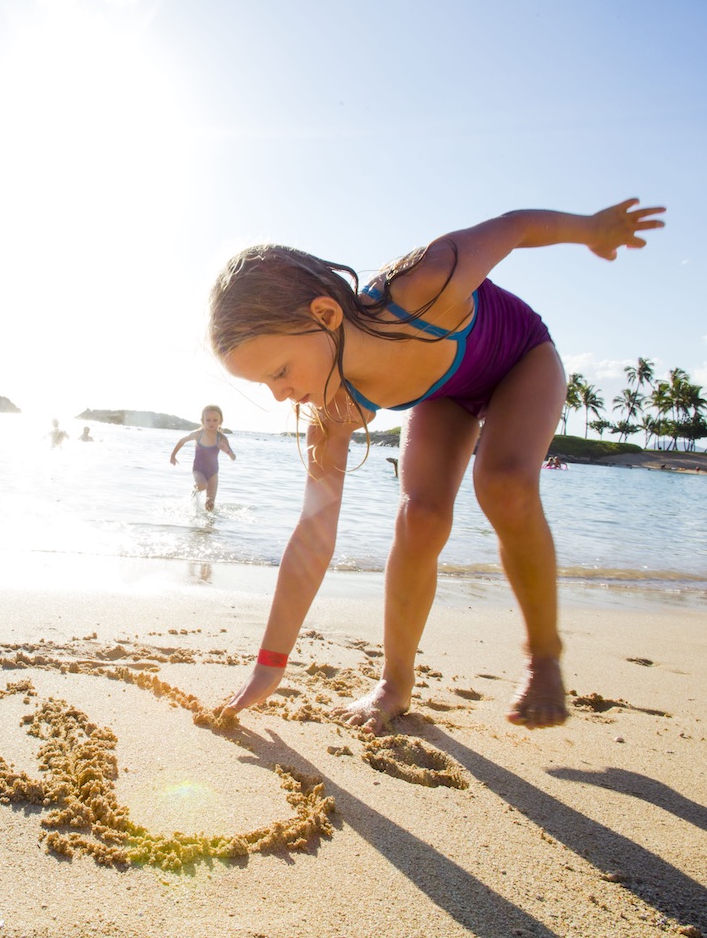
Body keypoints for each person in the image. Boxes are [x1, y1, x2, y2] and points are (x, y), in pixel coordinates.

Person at [210, 198, 664, 733]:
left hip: (522, 359)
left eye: (280, 370)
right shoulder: (332, 412)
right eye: (265, 384)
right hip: (445, 393)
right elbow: (313, 536)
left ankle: (544, 655)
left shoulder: (426, 283)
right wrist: (270, 667)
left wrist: (591, 228)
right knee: (420, 517)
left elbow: (513, 227)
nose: (281, 393)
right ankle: (395, 684)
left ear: (326, 315)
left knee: (502, 483)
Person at [169, 404, 236, 510]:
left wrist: (228, 451)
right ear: (202, 421)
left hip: (213, 473)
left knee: (210, 504)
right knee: (202, 485)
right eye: (208, 420)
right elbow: (182, 441)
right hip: (198, 469)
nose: (211, 423)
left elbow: (233, 457)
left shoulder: (221, 438)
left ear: (220, 421)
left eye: (215, 420)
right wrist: (173, 455)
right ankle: (193, 494)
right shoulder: (198, 434)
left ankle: (208, 526)